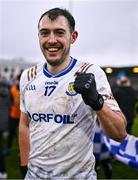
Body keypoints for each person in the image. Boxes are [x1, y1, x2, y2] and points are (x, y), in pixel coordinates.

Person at [19, 7, 127, 179]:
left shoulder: (91, 73)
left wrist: (97, 102)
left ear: (73, 37)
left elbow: (120, 133)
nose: (51, 40)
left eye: (59, 33)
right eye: (45, 33)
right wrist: (24, 164)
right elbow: (24, 124)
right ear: (39, 36)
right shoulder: (28, 76)